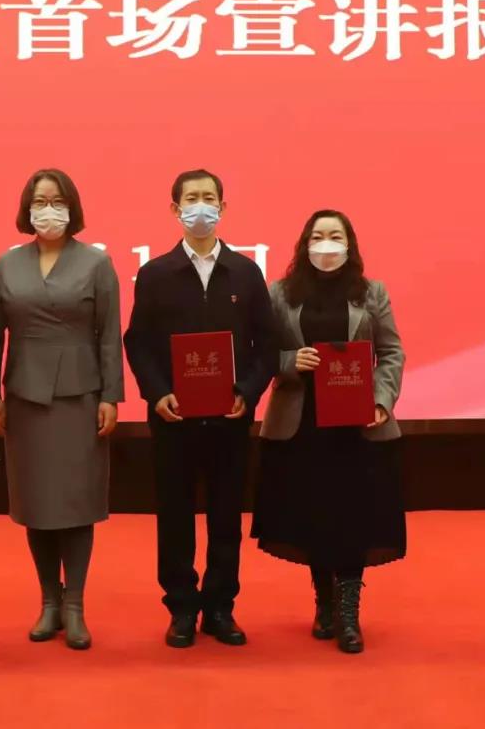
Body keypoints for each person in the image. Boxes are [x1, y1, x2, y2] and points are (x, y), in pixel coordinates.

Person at [124, 169, 277, 649]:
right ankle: (182, 607)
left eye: (209, 198)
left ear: (223, 208)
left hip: (230, 419)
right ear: (175, 209)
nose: (200, 207)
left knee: (226, 516)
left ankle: (220, 607)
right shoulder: (156, 274)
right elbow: (138, 342)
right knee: (174, 516)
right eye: (191, 199)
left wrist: (247, 391)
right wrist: (157, 393)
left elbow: (267, 345)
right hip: (173, 419)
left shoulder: (246, 273)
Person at [0, 168, 123, 651]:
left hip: (81, 397)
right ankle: (49, 601)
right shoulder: (8, 264)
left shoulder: (97, 263)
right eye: (39, 201)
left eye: (57, 201)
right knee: (36, 502)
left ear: (72, 207)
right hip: (24, 397)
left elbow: (109, 335)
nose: (48, 209)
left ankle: (75, 605)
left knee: (77, 502)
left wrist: (110, 396)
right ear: (27, 209)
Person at [251, 209, 406, 654]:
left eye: (335, 235)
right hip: (301, 423)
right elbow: (259, 352)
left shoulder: (372, 293)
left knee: (353, 516)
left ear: (349, 244)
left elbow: (391, 352)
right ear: (304, 244)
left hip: (357, 426)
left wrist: (381, 400)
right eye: (318, 236)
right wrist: (288, 362)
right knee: (313, 514)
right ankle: (324, 603)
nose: (326, 243)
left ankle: (349, 614)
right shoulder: (280, 293)